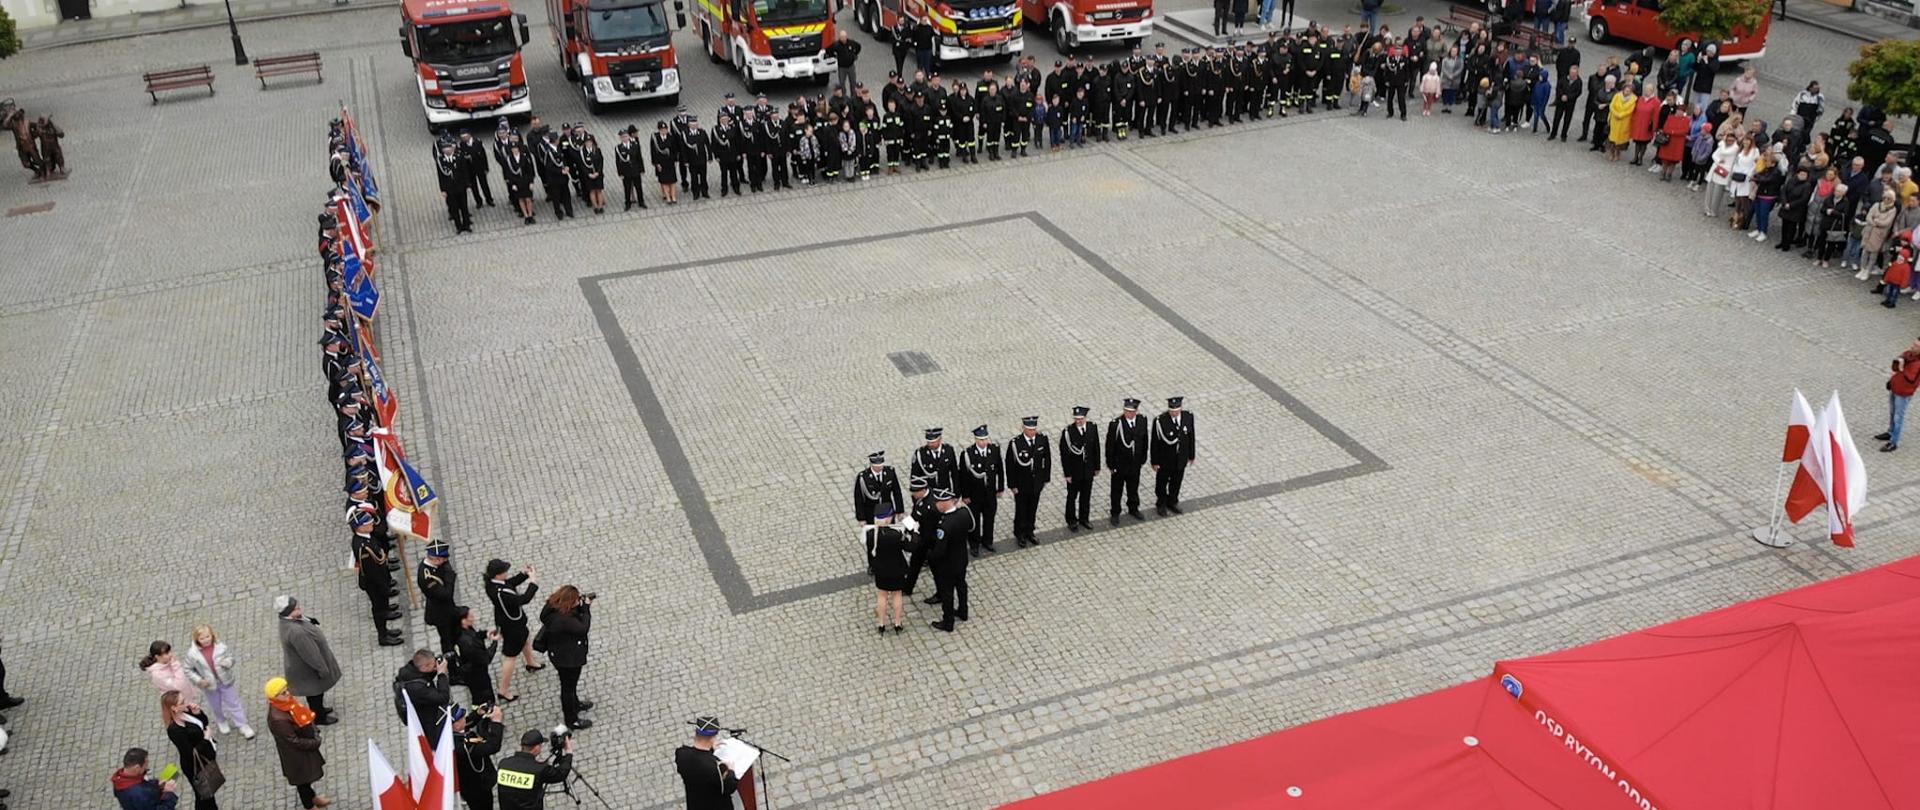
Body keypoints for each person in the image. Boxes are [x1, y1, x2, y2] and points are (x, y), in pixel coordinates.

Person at [264, 677, 330, 809]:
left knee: (306, 779)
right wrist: (314, 742)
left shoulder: (287, 704)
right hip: (295, 756)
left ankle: (313, 798)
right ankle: (309, 805)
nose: (288, 693)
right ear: (275, 697)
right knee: (302, 782)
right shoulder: (278, 719)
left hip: (302, 750)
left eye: (287, 690)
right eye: (283, 693)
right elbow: (292, 741)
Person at [275, 596, 340, 725]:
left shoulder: (289, 621)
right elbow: (311, 654)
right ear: (289, 612)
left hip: (303, 668)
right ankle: (319, 717)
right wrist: (323, 669)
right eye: (296, 608)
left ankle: (319, 709)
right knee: (315, 692)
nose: (300, 608)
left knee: (315, 692)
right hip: (308, 669)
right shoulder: (296, 632)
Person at [486, 559, 543, 703]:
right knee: (510, 656)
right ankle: (503, 690)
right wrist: (533, 582)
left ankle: (531, 662)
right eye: (504, 571)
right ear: (498, 575)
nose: (507, 573)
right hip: (512, 626)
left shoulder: (493, 583)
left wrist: (523, 574)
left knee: (525, 639)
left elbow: (510, 583)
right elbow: (523, 599)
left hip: (510, 622)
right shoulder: (500, 593)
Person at [181, 625, 252, 739]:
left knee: (234, 703)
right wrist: (199, 680)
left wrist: (228, 662)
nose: (206, 640)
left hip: (225, 681)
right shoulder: (192, 654)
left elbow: (231, 657)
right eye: (202, 638)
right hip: (209, 685)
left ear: (212, 635)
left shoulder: (221, 647)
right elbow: (188, 669)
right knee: (216, 705)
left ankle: (243, 724)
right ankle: (221, 720)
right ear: (197, 639)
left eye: (207, 636)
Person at [539, 586, 595, 730]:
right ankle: (571, 720)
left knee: (570, 685)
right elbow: (583, 628)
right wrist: (586, 609)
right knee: (568, 687)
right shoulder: (564, 619)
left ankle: (575, 704)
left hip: (558, 652)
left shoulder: (552, 607)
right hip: (568, 658)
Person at [351, 516, 404, 646]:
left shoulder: (367, 537)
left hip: (380, 578)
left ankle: (386, 625)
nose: (371, 523)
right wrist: (384, 587)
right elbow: (372, 572)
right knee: (379, 609)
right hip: (374, 584)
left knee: (382, 605)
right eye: (368, 523)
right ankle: (383, 636)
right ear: (360, 527)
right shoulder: (363, 547)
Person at [162, 691, 219, 810]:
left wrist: (198, 713)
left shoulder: (186, 711)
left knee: (208, 793)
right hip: (195, 766)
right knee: (204, 796)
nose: (186, 703)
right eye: (182, 702)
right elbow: (189, 753)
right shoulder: (175, 730)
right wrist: (206, 739)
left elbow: (203, 723)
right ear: (174, 708)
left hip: (205, 758)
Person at [927, 488, 975, 632]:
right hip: (961, 558)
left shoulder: (945, 525)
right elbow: (972, 527)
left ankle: (948, 622)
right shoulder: (963, 513)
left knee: (947, 592)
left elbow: (940, 550)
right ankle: (963, 611)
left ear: (945, 503)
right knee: (961, 585)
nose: (936, 504)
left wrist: (930, 555)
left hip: (947, 564)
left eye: (938, 502)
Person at [863, 503, 914, 634]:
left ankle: (881, 623)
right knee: (897, 595)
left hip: (881, 569)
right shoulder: (896, 535)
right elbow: (910, 547)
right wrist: (913, 530)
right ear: (888, 518)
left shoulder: (871, 534)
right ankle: (897, 622)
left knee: (882, 595)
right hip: (897, 569)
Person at [956, 424, 1004, 556]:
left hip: (990, 494)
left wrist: (1000, 487)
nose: (984, 442)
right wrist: (965, 495)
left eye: (985, 439)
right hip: (974, 495)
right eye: (981, 440)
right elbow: (963, 477)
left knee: (989, 519)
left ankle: (988, 541)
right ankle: (974, 544)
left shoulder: (994, 450)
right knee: (974, 520)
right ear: (976, 440)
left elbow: (1000, 469)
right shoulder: (967, 454)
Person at [496, 728, 573, 810]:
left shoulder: (503, 764)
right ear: (536, 748)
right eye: (540, 745)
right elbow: (561, 774)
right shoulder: (539, 770)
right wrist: (568, 752)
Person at [1005, 416, 1052, 547]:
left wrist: (1045, 478)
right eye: (1029, 429)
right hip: (1021, 484)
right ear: (1023, 428)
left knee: (1032, 508)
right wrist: (1012, 485)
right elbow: (1010, 465)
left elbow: (1047, 459)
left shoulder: (1042, 440)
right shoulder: (1016, 443)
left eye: (1034, 429)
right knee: (1021, 510)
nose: (1032, 432)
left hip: (1036, 483)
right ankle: (1019, 533)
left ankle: (1030, 531)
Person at [676, 719, 740, 810]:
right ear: (712, 738)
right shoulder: (714, 768)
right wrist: (731, 771)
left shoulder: (681, 754)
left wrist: (710, 749)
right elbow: (729, 788)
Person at [1057, 405, 1101, 532]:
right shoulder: (1068, 432)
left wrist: (1097, 466)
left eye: (1081, 419)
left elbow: (1096, 448)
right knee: (1072, 496)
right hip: (1074, 471)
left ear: (1085, 418)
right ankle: (1071, 520)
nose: (1078, 421)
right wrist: (1067, 473)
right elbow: (1064, 455)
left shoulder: (1092, 428)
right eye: (1076, 419)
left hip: (1088, 469)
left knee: (1086, 495)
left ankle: (1084, 518)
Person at [393, 648, 452, 742]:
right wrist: (441, 675)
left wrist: (434, 668)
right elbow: (443, 697)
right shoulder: (418, 688)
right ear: (424, 667)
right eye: (433, 664)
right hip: (426, 720)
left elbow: (424, 676)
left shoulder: (410, 671)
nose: (435, 666)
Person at [1151, 397, 1197, 515]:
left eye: (1176, 410)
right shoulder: (1160, 421)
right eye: (1172, 410)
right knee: (1161, 483)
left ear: (1181, 408)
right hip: (1165, 459)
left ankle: (1172, 502)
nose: (1174, 413)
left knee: (1176, 482)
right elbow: (1155, 443)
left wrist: (1191, 455)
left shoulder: (1188, 417)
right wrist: (1154, 461)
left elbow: (1191, 437)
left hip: (1181, 458)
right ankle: (1161, 503)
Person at [454, 703, 505, 810]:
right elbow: (492, 746)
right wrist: (497, 723)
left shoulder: (450, 732)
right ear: (455, 725)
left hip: (469, 783)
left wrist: (477, 714)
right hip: (476, 786)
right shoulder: (463, 747)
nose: (465, 717)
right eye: (461, 717)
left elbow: (466, 723)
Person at [1106, 398, 1148, 522]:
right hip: (1119, 465)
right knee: (1116, 491)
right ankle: (1115, 512)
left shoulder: (1142, 421)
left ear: (1136, 411)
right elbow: (1110, 446)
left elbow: (1144, 439)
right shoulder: (1116, 424)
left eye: (1131, 411)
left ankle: (1133, 508)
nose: (1128, 413)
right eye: (1126, 411)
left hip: (1135, 463)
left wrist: (1143, 458)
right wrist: (1111, 465)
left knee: (1133, 488)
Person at [1878, 338, 1920, 452]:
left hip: (1904, 393)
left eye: (1916, 346)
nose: (1912, 347)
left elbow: (1911, 379)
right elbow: (1895, 367)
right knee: (1892, 413)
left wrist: (1902, 368)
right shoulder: (1908, 354)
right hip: (1895, 388)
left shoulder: (1918, 364)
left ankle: (1893, 442)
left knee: (1898, 417)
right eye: (1913, 344)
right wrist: (1898, 362)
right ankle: (1890, 432)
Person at [420, 539, 460, 653]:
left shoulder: (437, 565)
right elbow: (446, 594)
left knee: (455, 634)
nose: (446, 561)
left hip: (448, 609)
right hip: (440, 613)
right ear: (436, 559)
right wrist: (450, 578)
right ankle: (450, 663)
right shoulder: (427, 577)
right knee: (447, 640)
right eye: (444, 559)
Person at [112, 747, 181, 810]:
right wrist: (168, 793)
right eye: (146, 764)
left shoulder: (121, 779)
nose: (147, 767)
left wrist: (157, 785)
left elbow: (144, 785)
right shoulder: (139, 795)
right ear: (137, 768)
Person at [852, 450, 905, 525]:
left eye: (881, 465)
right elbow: (859, 499)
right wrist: (861, 518)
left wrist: (900, 511)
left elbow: (897, 492)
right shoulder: (863, 477)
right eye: (876, 466)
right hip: (871, 512)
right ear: (871, 465)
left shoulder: (890, 472)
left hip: (887, 510)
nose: (879, 468)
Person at [436, 140, 473, 234]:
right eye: (444, 148)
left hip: (461, 186)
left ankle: (466, 225)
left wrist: (468, 184)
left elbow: (465, 171)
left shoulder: (459, 157)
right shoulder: (441, 160)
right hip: (450, 188)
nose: (446, 150)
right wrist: (443, 189)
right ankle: (458, 226)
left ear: (452, 148)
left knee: (464, 206)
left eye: (448, 148)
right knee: (454, 208)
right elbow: (440, 176)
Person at [910, 427, 957, 493]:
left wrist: (956, 493)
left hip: (944, 491)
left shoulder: (948, 450)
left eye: (933, 442)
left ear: (940, 439)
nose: (930, 444)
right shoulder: (920, 453)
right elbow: (914, 476)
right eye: (928, 442)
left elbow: (955, 473)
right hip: (928, 492)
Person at [501, 140, 537, 225]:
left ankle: (530, 215)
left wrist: (531, 182)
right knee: (521, 199)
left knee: (528, 199)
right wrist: (512, 184)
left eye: (516, 148)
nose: (515, 150)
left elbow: (529, 171)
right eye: (513, 149)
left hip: (526, 181)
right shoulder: (509, 160)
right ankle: (526, 216)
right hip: (517, 182)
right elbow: (508, 173)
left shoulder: (524, 157)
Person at [458, 131, 495, 209]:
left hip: (480, 167)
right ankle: (478, 201)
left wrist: (486, 168)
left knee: (484, 184)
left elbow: (483, 156)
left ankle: (489, 199)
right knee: (473, 186)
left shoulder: (477, 142)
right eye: (462, 137)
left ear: (469, 135)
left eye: (465, 137)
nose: (464, 139)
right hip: (470, 169)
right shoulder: (462, 145)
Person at [614, 126, 646, 211]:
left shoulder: (635, 145)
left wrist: (642, 169)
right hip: (626, 171)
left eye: (626, 136)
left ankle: (641, 202)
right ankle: (627, 203)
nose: (624, 138)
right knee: (627, 188)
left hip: (635, 169)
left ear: (629, 136)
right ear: (620, 138)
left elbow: (639, 157)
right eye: (622, 137)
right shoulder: (618, 148)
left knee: (638, 187)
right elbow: (618, 162)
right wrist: (620, 173)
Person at [649, 121, 679, 205]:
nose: (664, 131)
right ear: (659, 130)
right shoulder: (655, 138)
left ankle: (673, 196)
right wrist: (656, 163)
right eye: (662, 129)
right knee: (664, 181)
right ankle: (668, 197)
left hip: (670, 162)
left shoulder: (671, 137)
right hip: (661, 163)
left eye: (665, 129)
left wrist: (675, 160)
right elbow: (653, 151)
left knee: (672, 181)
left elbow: (674, 149)